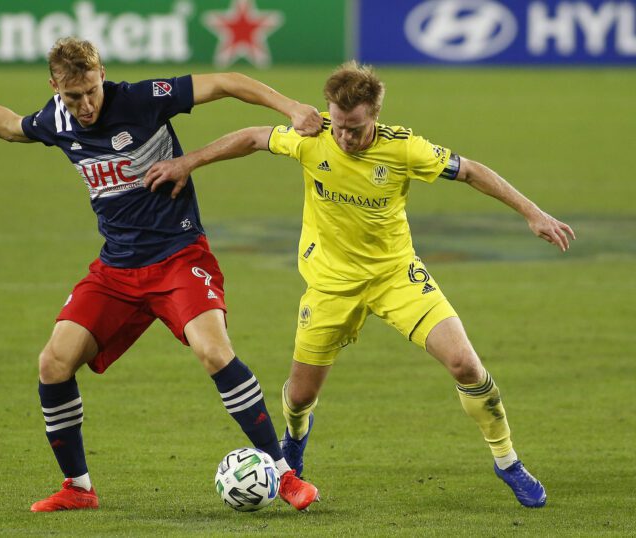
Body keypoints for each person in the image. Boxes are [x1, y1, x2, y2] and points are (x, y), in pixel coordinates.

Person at [0, 37, 323, 512]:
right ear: (54, 88)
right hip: (116, 268)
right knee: (53, 364)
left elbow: (227, 81)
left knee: (214, 350)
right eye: (72, 96)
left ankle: (284, 474)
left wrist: (290, 106)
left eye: (90, 91)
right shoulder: (57, 119)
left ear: (102, 74)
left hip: (179, 257)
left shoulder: (143, 99)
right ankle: (79, 488)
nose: (84, 106)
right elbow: (7, 125)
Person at [144, 61, 577, 509]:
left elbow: (469, 170)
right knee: (299, 395)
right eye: (339, 125)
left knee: (466, 365)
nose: (345, 138)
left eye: (355, 128)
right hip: (329, 286)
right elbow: (254, 137)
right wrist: (187, 161)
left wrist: (533, 212)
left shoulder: (406, 149)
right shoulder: (313, 137)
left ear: (375, 116)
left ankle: (507, 461)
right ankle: (294, 441)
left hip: (396, 278)